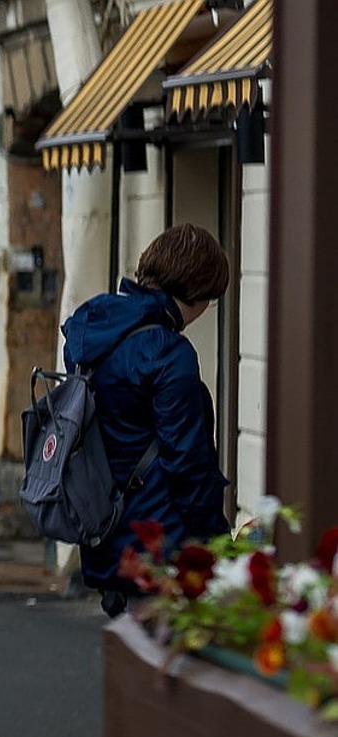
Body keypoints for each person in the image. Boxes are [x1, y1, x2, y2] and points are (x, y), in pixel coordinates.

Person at [61, 223, 231, 618]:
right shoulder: (168, 353)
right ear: (197, 290)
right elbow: (188, 465)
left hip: (107, 529)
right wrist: (217, 545)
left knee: (130, 661)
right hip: (160, 542)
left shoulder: (99, 329)